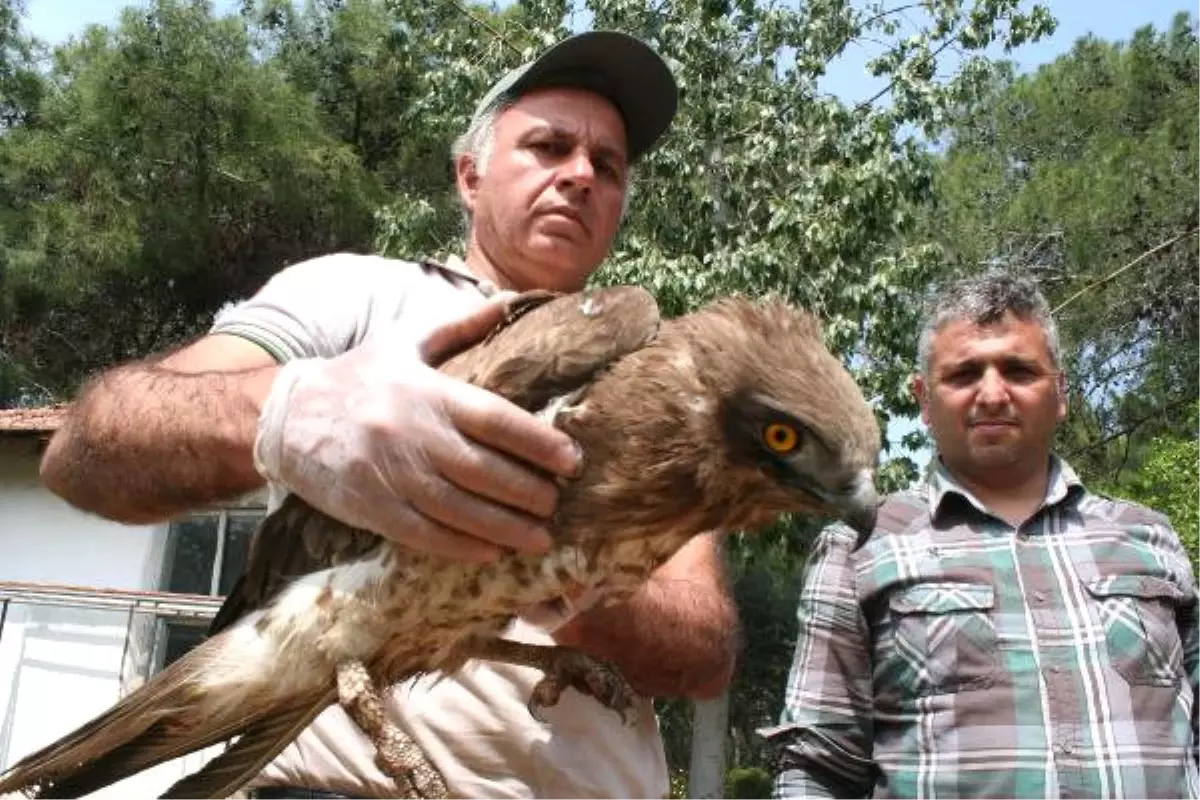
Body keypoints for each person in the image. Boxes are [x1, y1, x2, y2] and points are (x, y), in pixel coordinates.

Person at [38, 30, 740, 800]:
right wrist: (288, 412)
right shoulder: (361, 295)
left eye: (607, 166)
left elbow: (704, 651)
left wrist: (563, 566)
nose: (580, 175)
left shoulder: (655, 379)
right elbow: (87, 450)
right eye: (549, 146)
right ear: (470, 177)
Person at [760, 271, 1200, 798]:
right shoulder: (858, 546)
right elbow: (816, 769)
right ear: (924, 400)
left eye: (1019, 370)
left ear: (1060, 392)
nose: (992, 394)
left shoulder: (1149, 537)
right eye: (964, 374)